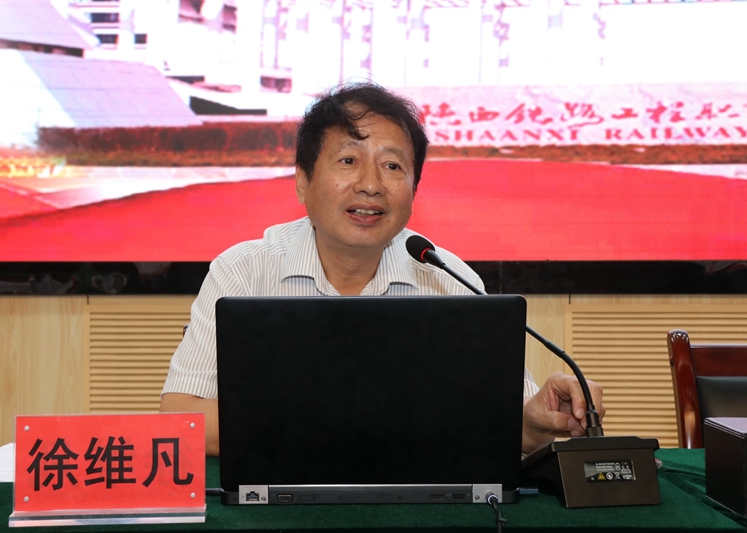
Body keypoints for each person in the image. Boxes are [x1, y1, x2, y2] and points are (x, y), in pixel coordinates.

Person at [160, 82, 604, 456]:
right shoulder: (243, 272)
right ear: (302, 181)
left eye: (392, 166)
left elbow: (508, 422)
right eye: (348, 161)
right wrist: (354, 418)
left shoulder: (447, 278)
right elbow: (183, 416)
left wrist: (537, 420)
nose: (371, 185)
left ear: (414, 188)